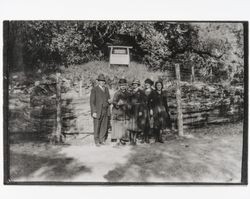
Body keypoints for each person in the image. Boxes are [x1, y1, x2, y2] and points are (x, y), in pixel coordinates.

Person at [90, 74, 111, 146]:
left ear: (105, 82)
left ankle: (102, 139)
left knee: (104, 126)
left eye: (103, 81)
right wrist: (94, 111)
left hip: (105, 110)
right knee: (97, 126)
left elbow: (108, 99)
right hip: (98, 111)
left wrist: (109, 101)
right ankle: (97, 141)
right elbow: (92, 102)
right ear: (98, 81)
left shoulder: (106, 89)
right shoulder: (94, 89)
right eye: (100, 81)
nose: (102, 82)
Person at [127, 79, 147, 145]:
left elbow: (143, 102)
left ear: (138, 85)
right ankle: (131, 140)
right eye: (133, 84)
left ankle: (135, 139)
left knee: (136, 125)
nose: (135, 85)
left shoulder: (141, 92)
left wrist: (141, 110)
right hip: (131, 110)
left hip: (138, 109)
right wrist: (129, 107)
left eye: (136, 84)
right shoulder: (130, 92)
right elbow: (128, 101)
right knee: (131, 125)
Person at [111, 78, 130, 146]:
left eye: (124, 85)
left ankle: (123, 139)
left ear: (126, 85)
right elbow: (114, 101)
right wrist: (118, 104)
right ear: (119, 86)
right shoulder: (117, 93)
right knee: (118, 126)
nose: (123, 86)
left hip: (126, 112)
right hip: (119, 112)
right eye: (121, 85)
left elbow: (130, 102)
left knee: (124, 127)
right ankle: (118, 140)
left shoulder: (128, 93)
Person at [143, 78, 156, 143]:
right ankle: (144, 137)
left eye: (148, 84)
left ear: (150, 84)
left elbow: (154, 101)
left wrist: (151, 109)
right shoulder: (143, 91)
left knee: (150, 122)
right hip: (144, 109)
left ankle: (149, 136)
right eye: (146, 84)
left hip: (151, 109)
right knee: (144, 122)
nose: (146, 85)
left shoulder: (153, 91)